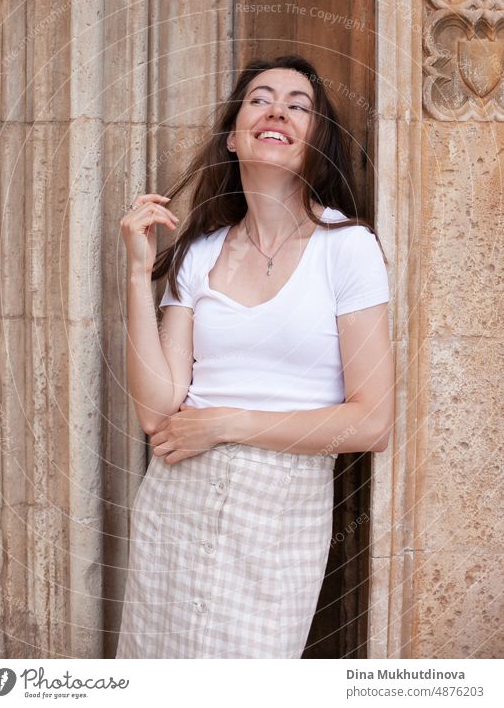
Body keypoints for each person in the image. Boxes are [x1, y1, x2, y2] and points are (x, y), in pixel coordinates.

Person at [115, 54, 394, 659]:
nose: (278, 111)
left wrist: (227, 424)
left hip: (280, 510)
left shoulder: (347, 248)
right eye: (261, 99)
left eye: (300, 106)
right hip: (177, 498)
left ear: (316, 140)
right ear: (234, 135)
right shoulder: (199, 253)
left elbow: (372, 422)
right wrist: (141, 275)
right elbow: (157, 410)